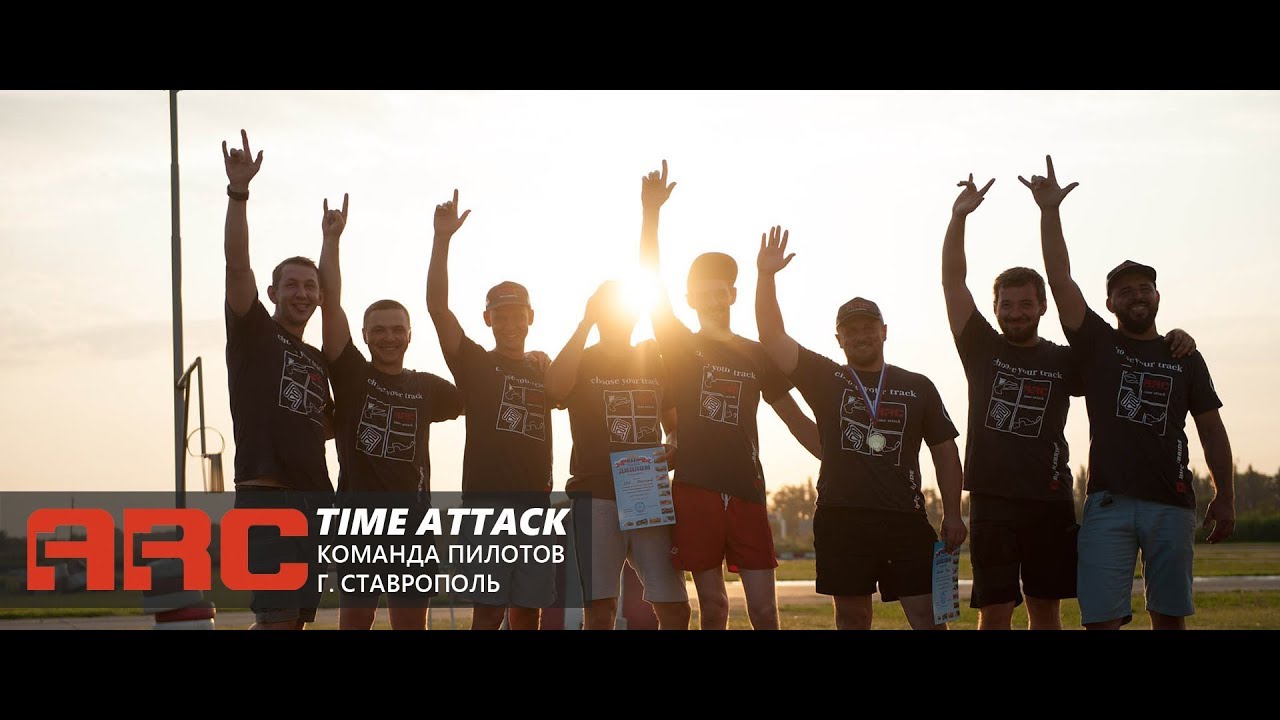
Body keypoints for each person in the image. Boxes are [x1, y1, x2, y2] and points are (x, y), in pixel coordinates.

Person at [942, 173, 1198, 630]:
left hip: (1050, 498)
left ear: (1042, 307)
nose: (1016, 312)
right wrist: (958, 218)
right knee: (995, 611)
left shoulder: (1067, 361)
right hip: (991, 497)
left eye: (1026, 304)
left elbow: (1123, 351)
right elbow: (952, 282)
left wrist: (1175, 340)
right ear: (995, 308)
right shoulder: (980, 346)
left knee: (1046, 608)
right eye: (1007, 304)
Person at [1029, 154, 1235, 629]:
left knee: (1169, 619)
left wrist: (1225, 495)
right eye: (1125, 291)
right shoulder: (1099, 341)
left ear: (1158, 295)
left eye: (1145, 287)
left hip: (1173, 502)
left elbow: (1212, 430)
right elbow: (1060, 280)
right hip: (1108, 502)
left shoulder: (1184, 355)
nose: (1136, 296)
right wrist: (1049, 211)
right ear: (1109, 303)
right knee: (1101, 620)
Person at [639, 162, 821, 630]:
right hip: (695, 487)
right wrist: (651, 213)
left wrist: (837, 455)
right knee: (714, 607)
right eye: (703, 293)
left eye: (721, 292)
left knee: (763, 610)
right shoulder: (678, 344)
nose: (713, 299)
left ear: (733, 295)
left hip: (746, 489)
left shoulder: (757, 355)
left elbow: (794, 418)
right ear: (692, 299)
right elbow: (649, 278)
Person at [756, 226, 966, 630]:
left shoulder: (917, 385)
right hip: (841, 517)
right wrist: (767, 277)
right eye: (851, 330)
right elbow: (771, 336)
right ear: (839, 339)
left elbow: (944, 451)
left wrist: (954, 512)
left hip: (905, 517)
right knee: (853, 616)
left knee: (930, 617)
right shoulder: (826, 377)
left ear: (884, 331)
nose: (861, 335)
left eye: (869, 327)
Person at [317, 194, 464, 630]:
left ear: (410, 335)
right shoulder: (352, 374)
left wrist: (529, 361)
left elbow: (481, 389)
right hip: (358, 524)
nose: (388, 337)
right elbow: (330, 302)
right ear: (363, 335)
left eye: (397, 329)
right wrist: (331, 240)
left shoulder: (428, 387)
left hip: (413, 526)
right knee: (355, 623)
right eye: (378, 330)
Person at [426, 189, 555, 630]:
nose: (510, 322)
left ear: (531, 317)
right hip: (487, 503)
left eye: (518, 314)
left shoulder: (545, 370)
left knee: (528, 609)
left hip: (537, 504)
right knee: (488, 608)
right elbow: (438, 309)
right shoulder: (477, 364)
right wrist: (442, 240)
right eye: (500, 315)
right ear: (487, 320)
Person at [222, 129, 333, 630]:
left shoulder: (316, 356)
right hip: (267, 493)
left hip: (313, 495)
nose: (302, 293)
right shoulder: (253, 332)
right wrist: (239, 192)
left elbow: (320, 422)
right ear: (272, 291)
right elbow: (236, 264)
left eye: (310, 285)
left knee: (293, 620)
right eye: (291, 284)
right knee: (279, 617)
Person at [545, 281, 691, 630]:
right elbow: (553, 389)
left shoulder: (652, 361)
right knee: (601, 609)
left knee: (674, 607)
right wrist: (584, 325)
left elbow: (674, 423)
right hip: (595, 494)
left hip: (648, 492)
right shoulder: (582, 359)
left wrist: (674, 444)